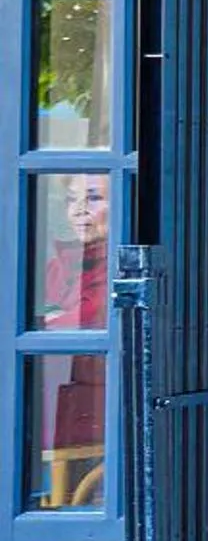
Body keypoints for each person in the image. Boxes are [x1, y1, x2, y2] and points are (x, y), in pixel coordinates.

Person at [36, 173, 107, 507]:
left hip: (88, 407)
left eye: (93, 198)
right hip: (51, 401)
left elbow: (85, 321)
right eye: (71, 200)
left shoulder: (113, 264)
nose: (78, 210)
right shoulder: (61, 264)